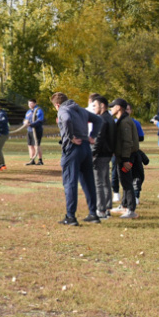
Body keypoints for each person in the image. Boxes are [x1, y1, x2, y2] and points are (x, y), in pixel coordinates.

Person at [50, 91, 104, 226]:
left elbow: (67, 119)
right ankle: (93, 214)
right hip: (86, 148)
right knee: (88, 181)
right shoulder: (80, 110)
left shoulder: (63, 109)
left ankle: (71, 217)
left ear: (57, 104)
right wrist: (92, 135)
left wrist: (70, 137)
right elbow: (98, 119)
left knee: (70, 182)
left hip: (72, 149)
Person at [110, 99, 139, 219]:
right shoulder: (123, 120)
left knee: (127, 182)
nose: (111, 109)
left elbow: (127, 142)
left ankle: (131, 210)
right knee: (124, 181)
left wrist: (126, 159)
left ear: (119, 107)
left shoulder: (125, 122)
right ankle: (124, 205)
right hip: (122, 156)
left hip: (126, 157)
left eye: (113, 107)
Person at [88, 93, 115, 219]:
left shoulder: (101, 119)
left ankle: (101, 210)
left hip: (100, 155)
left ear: (102, 105)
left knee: (98, 183)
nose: (93, 108)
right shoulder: (109, 118)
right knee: (105, 182)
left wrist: (92, 154)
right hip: (107, 153)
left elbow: (98, 139)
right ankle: (108, 207)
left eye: (95, 106)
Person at [24, 98, 45, 165]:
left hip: (37, 130)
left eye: (31, 103)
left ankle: (40, 160)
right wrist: (25, 123)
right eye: (28, 104)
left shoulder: (39, 110)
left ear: (35, 103)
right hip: (29, 130)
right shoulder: (28, 112)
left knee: (37, 145)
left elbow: (40, 120)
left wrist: (31, 124)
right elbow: (26, 119)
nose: (29, 105)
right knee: (30, 145)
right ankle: (32, 160)